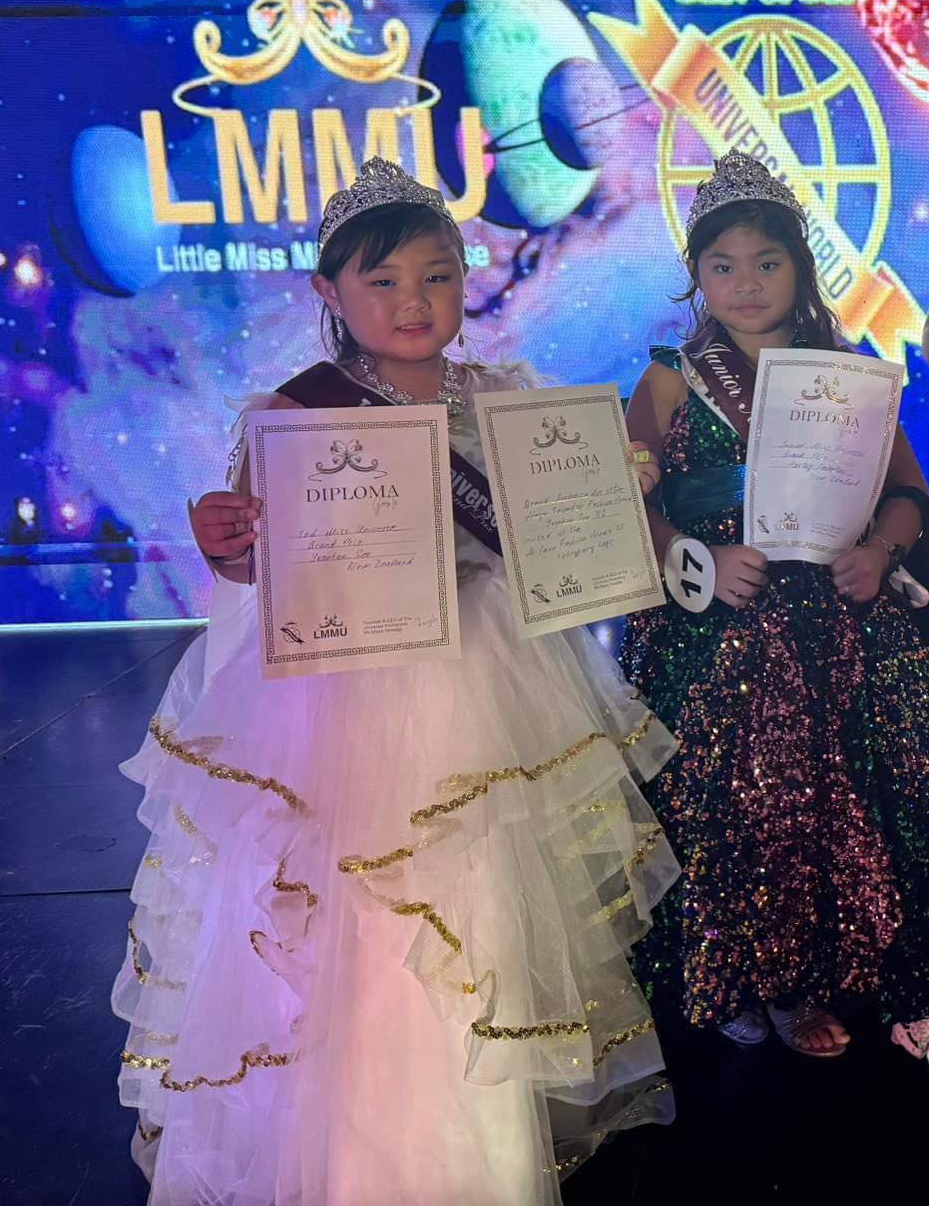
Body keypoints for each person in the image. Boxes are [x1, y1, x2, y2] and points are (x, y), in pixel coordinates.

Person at [116, 158, 679, 1204]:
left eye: (437, 277)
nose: (414, 303)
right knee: (358, 927)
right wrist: (224, 539)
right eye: (383, 283)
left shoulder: (496, 394)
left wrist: (605, 501)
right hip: (342, 698)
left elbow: (539, 535)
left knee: (484, 911)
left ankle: (483, 1162)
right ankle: (354, 1162)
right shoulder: (293, 409)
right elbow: (252, 561)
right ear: (329, 295)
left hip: (482, 674)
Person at [620, 154, 929, 1077]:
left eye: (766, 263)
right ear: (697, 275)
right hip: (714, 613)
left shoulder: (848, 373)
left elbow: (904, 493)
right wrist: (697, 557)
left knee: (912, 751)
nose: (744, 283)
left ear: (801, 271)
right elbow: (626, 506)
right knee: (749, 748)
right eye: (723, 265)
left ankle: (859, 977)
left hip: (837, 604)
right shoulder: (667, 381)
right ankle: (747, 972)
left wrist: (878, 554)